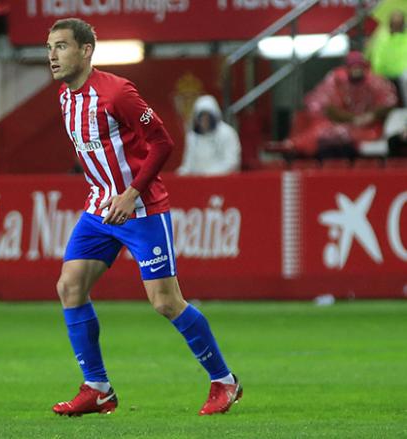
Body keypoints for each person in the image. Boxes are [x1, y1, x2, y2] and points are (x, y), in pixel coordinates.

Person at [47, 18, 241, 417]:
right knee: (69, 287)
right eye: (49, 47)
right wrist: (107, 194)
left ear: (86, 50)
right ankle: (98, 388)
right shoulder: (65, 98)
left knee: (166, 302)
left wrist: (131, 192)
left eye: (62, 46)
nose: (52, 55)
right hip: (100, 208)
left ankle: (224, 381)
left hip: (141, 208)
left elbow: (162, 142)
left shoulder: (117, 92)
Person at [283, 51, 397, 160]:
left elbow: (388, 102)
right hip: (338, 124)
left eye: (359, 67)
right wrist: (352, 119)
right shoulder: (336, 79)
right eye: (353, 67)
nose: (356, 70)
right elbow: (326, 107)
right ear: (346, 67)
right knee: (324, 134)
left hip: (368, 127)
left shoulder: (375, 81)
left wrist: (371, 116)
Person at [175, 95, 241, 176]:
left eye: (207, 117)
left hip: (222, 181)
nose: (204, 121)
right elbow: (188, 164)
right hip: (198, 182)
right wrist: (181, 174)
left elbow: (232, 162)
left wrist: (209, 174)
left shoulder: (227, 133)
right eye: (201, 117)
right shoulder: (193, 137)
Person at [368, 10, 407, 106]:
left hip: (402, 73)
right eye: (394, 22)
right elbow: (374, 55)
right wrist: (376, 71)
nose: (396, 25)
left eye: (399, 22)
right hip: (383, 72)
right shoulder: (381, 36)